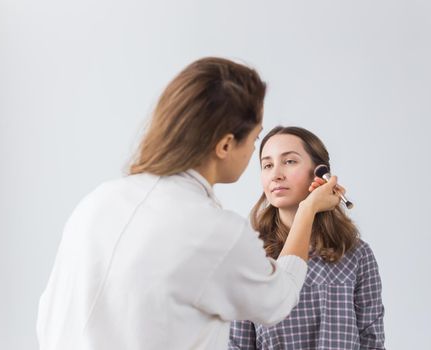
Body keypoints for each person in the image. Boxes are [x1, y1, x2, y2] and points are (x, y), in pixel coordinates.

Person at [36, 58, 343, 350]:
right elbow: (279, 297)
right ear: (225, 145)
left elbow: (51, 315)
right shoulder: (216, 231)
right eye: (254, 139)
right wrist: (308, 210)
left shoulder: (98, 201)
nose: (256, 153)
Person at [229, 126, 386, 349]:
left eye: (289, 161)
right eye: (267, 165)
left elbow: (372, 342)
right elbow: (238, 345)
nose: (276, 174)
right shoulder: (248, 256)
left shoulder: (356, 254)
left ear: (320, 173)